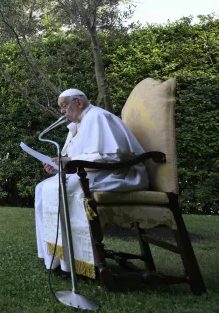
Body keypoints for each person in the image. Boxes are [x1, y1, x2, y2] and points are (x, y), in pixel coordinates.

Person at [35, 89, 148, 279]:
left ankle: (81, 262)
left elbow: (112, 156)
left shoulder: (98, 117)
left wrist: (69, 160)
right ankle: (57, 257)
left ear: (78, 102)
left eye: (64, 106)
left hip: (119, 175)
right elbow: (76, 160)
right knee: (42, 187)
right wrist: (59, 166)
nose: (62, 112)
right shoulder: (77, 126)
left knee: (63, 189)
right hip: (94, 174)